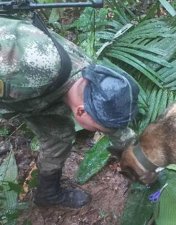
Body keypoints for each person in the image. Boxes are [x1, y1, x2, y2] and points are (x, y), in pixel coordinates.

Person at [0, 16, 139, 208]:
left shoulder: (92, 80)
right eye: (100, 129)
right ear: (81, 112)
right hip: (21, 84)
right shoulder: (30, 64)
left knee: (58, 137)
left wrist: (139, 158)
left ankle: (47, 194)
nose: (105, 131)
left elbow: (113, 125)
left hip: (38, 97)